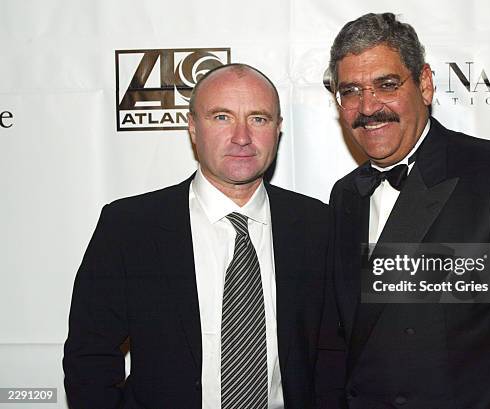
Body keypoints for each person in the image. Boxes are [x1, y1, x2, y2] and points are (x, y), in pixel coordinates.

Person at [326, 12, 490, 409]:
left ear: (425, 84)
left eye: (386, 85)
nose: (368, 107)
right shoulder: (345, 196)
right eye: (350, 91)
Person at [64, 63, 328, 409]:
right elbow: (90, 356)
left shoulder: (319, 225)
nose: (242, 136)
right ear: (192, 127)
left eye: (258, 119)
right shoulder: (129, 227)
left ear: (278, 129)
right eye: (222, 117)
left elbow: (335, 355)